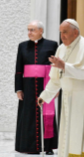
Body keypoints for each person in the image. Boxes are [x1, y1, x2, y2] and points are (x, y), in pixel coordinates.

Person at [38, 19, 84, 157]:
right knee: (72, 135)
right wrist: (45, 95)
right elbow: (56, 78)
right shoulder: (61, 48)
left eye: (65, 32)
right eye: (60, 33)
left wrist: (65, 66)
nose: (62, 36)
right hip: (71, 98)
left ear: (75, 32)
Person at [15, 21, 58, 155]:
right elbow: (18, 70)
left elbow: (56, 68)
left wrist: (56, 88)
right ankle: (28, 146)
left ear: (41, 31)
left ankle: (48, 147)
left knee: (48, 115)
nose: (29, 33)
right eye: (28, 30)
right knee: (27, 115)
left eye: (32, 30)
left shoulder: (52, 45)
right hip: (27, 87)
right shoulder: (22, 46)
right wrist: (18, 89)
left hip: (45, 85)